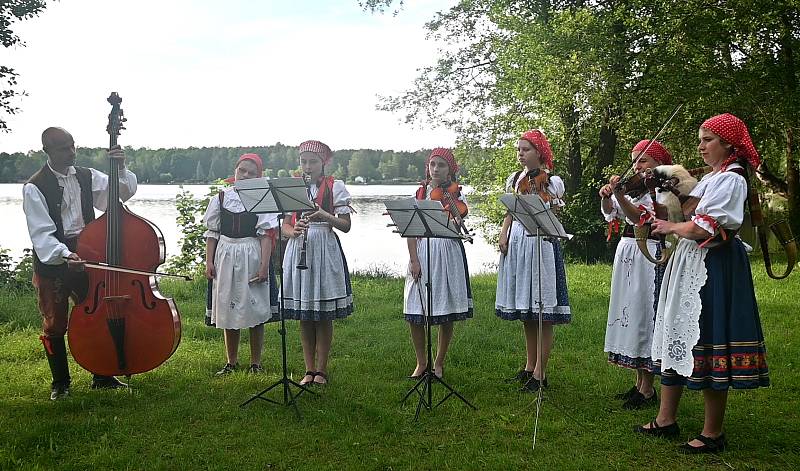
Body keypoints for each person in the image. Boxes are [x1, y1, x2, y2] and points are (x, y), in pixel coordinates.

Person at [636, 114, 769, 454]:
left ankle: (713, 432)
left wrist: (670, 229)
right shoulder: (712, 177)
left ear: (729, 144)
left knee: (709, 338)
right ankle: (666, 419)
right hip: (691, 261)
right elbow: (689, 219)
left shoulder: (733, 180)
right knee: (676, 332)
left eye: (708, 139)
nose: (701, 145)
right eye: (701, 139)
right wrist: (663, 217)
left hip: (715, 266)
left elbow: (705, 230)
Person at [23, 127, 136, 400]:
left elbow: (120, 194)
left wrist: (120, 168)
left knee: (97, 314)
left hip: (87, 254)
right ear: (47, 151)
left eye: (72, 145)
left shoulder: (86, 176)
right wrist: (64, 255)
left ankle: (102, 375)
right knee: (54, 322)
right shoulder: (34, 187)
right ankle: (60, 383)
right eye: (63, 148)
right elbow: (41, 233)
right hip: (55, 260)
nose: (71, 152)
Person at [495, 129, 571, 392]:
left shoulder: (553, 181)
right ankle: (529, 366)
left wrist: (547, 200)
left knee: (542, 310)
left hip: (541, 242)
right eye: (519, 150)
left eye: (525, 149)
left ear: (539, 152)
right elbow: (511, 211)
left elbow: (555, 212)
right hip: (518, 240)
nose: (521, 154)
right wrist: (504, 233)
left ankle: (541, 373)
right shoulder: (516, 179)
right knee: (527, 310)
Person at [600, 140, 672, 409]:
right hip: (629, 250)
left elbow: (640, 218)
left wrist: (618, 195)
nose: (637, 166)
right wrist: (609, 197)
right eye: (634, 161)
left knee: (645, 312)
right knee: (630, 311)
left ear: (657, 164)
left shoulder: (663, 191)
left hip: (650, 252)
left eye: (643, 160)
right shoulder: (634, 189)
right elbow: (611, 214)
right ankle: (639, 382)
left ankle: (648, 388)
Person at [281, 140, 353, 386]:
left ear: (324, 163)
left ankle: (321, 369)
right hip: (298, 247)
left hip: (324, 247)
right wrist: (293, 232)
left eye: (313, 162)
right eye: (304, 161)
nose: (307, 166)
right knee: (305, 314)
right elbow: (285, 226)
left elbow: (346, 225)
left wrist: (323, 214)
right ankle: (308, 369)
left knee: (323, 314)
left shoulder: (335, 187)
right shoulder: (293, 187)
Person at [204, 153, 278, 376]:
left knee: (254, 307)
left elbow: (266, 234)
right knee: (228, 306)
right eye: (242, 170)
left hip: (251, 253)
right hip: (225, 253)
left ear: (258, 176)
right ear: (235, 171)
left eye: (251, 173)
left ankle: (256, 363)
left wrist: (264, 265)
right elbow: (212, 233)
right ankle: (231, 362)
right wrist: (209, 261)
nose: (245, 176)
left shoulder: (261, 199)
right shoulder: (221, 198)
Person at [404, 148, 473, 379]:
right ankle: (421, 362)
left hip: (446, 250)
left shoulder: (457, 195)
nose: (435, 169)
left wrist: (452, 216)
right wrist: (414, 259)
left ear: (450, 170)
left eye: (441, 165)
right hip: (422, 250)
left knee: (445, 308)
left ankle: (439, 362)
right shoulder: (420, 193)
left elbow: (456, 224)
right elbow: (410, 231)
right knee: (415, 306)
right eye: (433, 164)